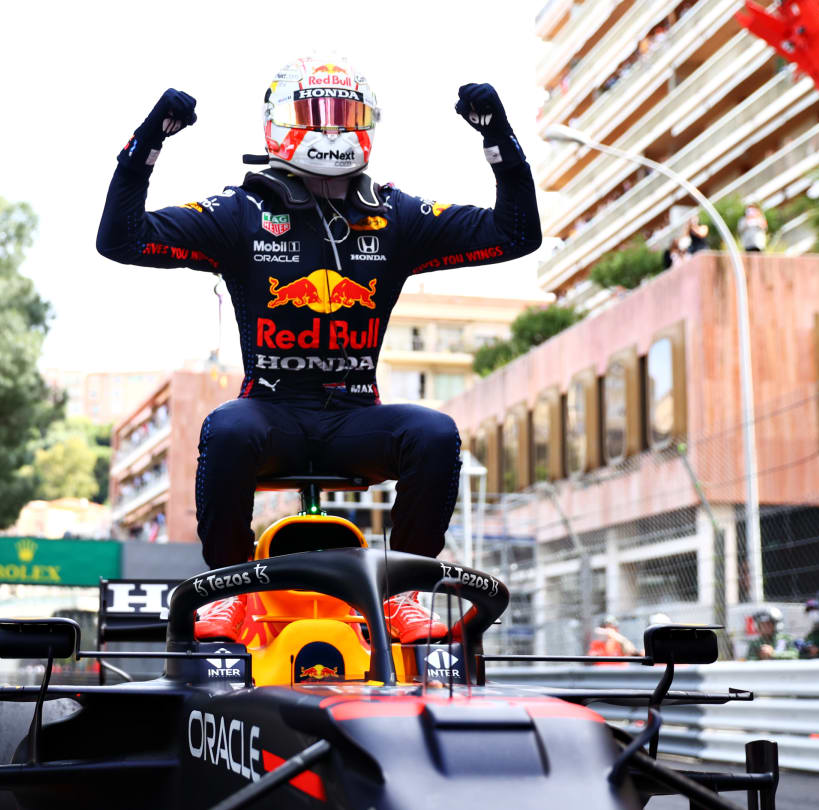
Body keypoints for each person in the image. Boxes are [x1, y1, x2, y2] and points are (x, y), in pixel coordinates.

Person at [97, 57, 541, 644]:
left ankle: (401, 595)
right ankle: (231, 589)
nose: (331, 130)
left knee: (434, 432)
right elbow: (121, 240)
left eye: (345, 115)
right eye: (315, 115)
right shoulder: (240, 212)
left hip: (355, 417)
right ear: (280, 123)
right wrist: (147, 143)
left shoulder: (395, 214)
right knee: (226, 428)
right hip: (270, 413)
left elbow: (516, 236)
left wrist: (499, 141)